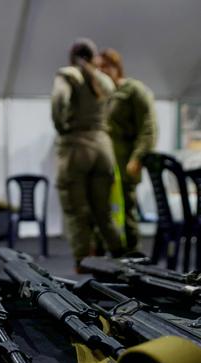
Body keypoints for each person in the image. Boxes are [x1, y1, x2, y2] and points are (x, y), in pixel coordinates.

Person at [51, 38, 124, 271]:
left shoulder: (68, 75)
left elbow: (58, 101)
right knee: (103, 212)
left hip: (75, 148)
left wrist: (62, 127)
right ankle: (121, 257)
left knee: (76, 211)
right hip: (103, 148)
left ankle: (83, 262)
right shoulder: (103, 80)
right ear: (93, 57)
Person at [99, 48, 158, 253]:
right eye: (99, 68)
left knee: (127, 211)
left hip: (125, 161)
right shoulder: (104, 94)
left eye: (106, 66)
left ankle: (132, 255)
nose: (102, 71)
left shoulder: (133, 90)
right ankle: (110, 255)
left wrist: (138, 158)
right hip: (105, 163)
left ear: (116, 67)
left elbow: (149, 127)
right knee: (104, 212)